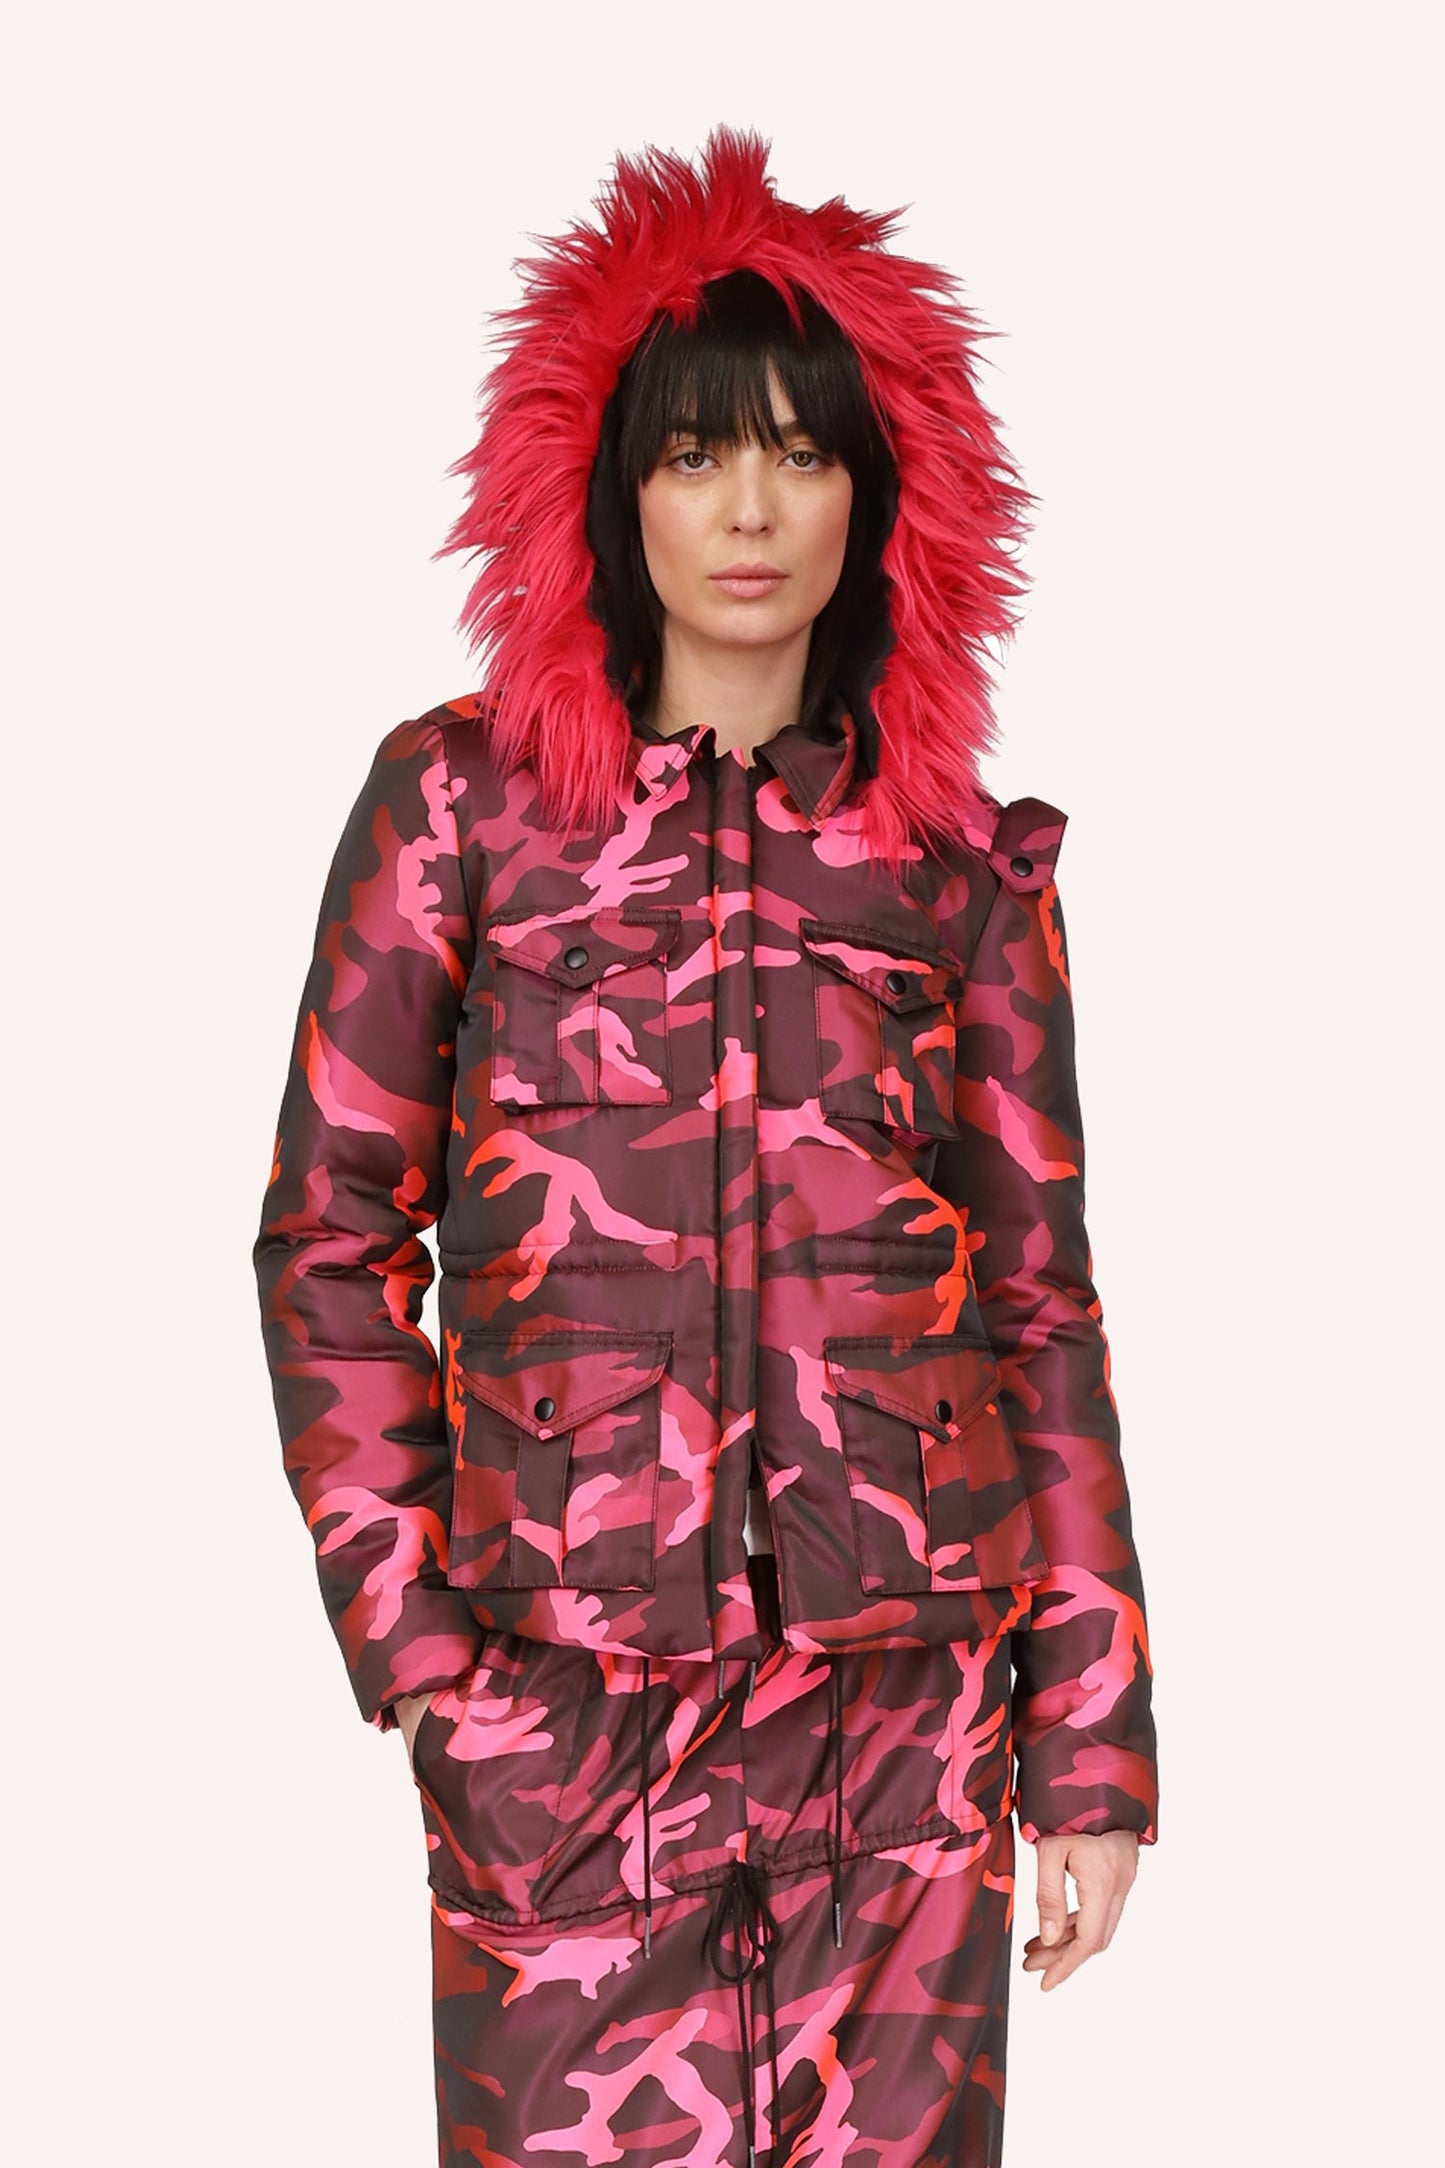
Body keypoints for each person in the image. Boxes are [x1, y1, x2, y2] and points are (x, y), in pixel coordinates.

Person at [253, 125, 1159, 2168]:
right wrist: (423, 1659)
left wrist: (1089, 1744)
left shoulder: (955, 870)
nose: (749, 509)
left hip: (907, 1736)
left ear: (882, 492)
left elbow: (1039, 1305)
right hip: (562, 1720)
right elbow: (326, 1239)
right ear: (607, 488)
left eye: (801, 453)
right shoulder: (463, 812)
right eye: (691, 454)